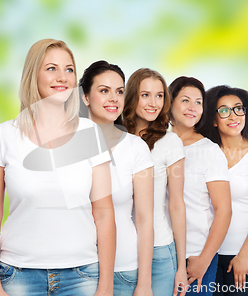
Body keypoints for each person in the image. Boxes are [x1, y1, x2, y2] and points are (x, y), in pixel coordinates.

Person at [0, 39, 116, 296]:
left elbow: (105, 214)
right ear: (34, 75)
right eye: (51, 68)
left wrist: (106, 286)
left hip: (82, 276)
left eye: (69, 69)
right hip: (18, 275)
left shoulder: (90, 133)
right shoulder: (4, 136)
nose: (62, 77)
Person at [79, 60, 155, 296]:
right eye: (104, 91)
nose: (113, 98)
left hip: (124, 271)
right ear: (86, 97)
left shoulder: (136, 148)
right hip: (75, 270)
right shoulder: (67, 144)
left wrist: (144, 284)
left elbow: (144, 219)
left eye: (119, 91)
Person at [197, 85, 248, 295]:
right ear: (213, 119)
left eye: (238, 108)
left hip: (245, 258)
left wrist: (244, 255)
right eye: (223, 110)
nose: (233, 116)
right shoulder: (206, 154)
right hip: (208, 257)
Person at [123, 68, 188, 296]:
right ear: (132, 97)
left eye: (159, 95)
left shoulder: (170, 142)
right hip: (119, 251)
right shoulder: (114, 138)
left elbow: (176, 205)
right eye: (145, 95)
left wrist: (180, 267)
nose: (154, 103)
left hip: (159, 250)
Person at [168, 77, 232, 296]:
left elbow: (224, 210)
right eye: (185, 100)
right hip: (159, 253)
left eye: (198, 102)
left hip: (194, 256)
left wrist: (204, 260)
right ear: (170, 102)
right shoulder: (154, 143)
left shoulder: (209, 151)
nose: (192, 108)